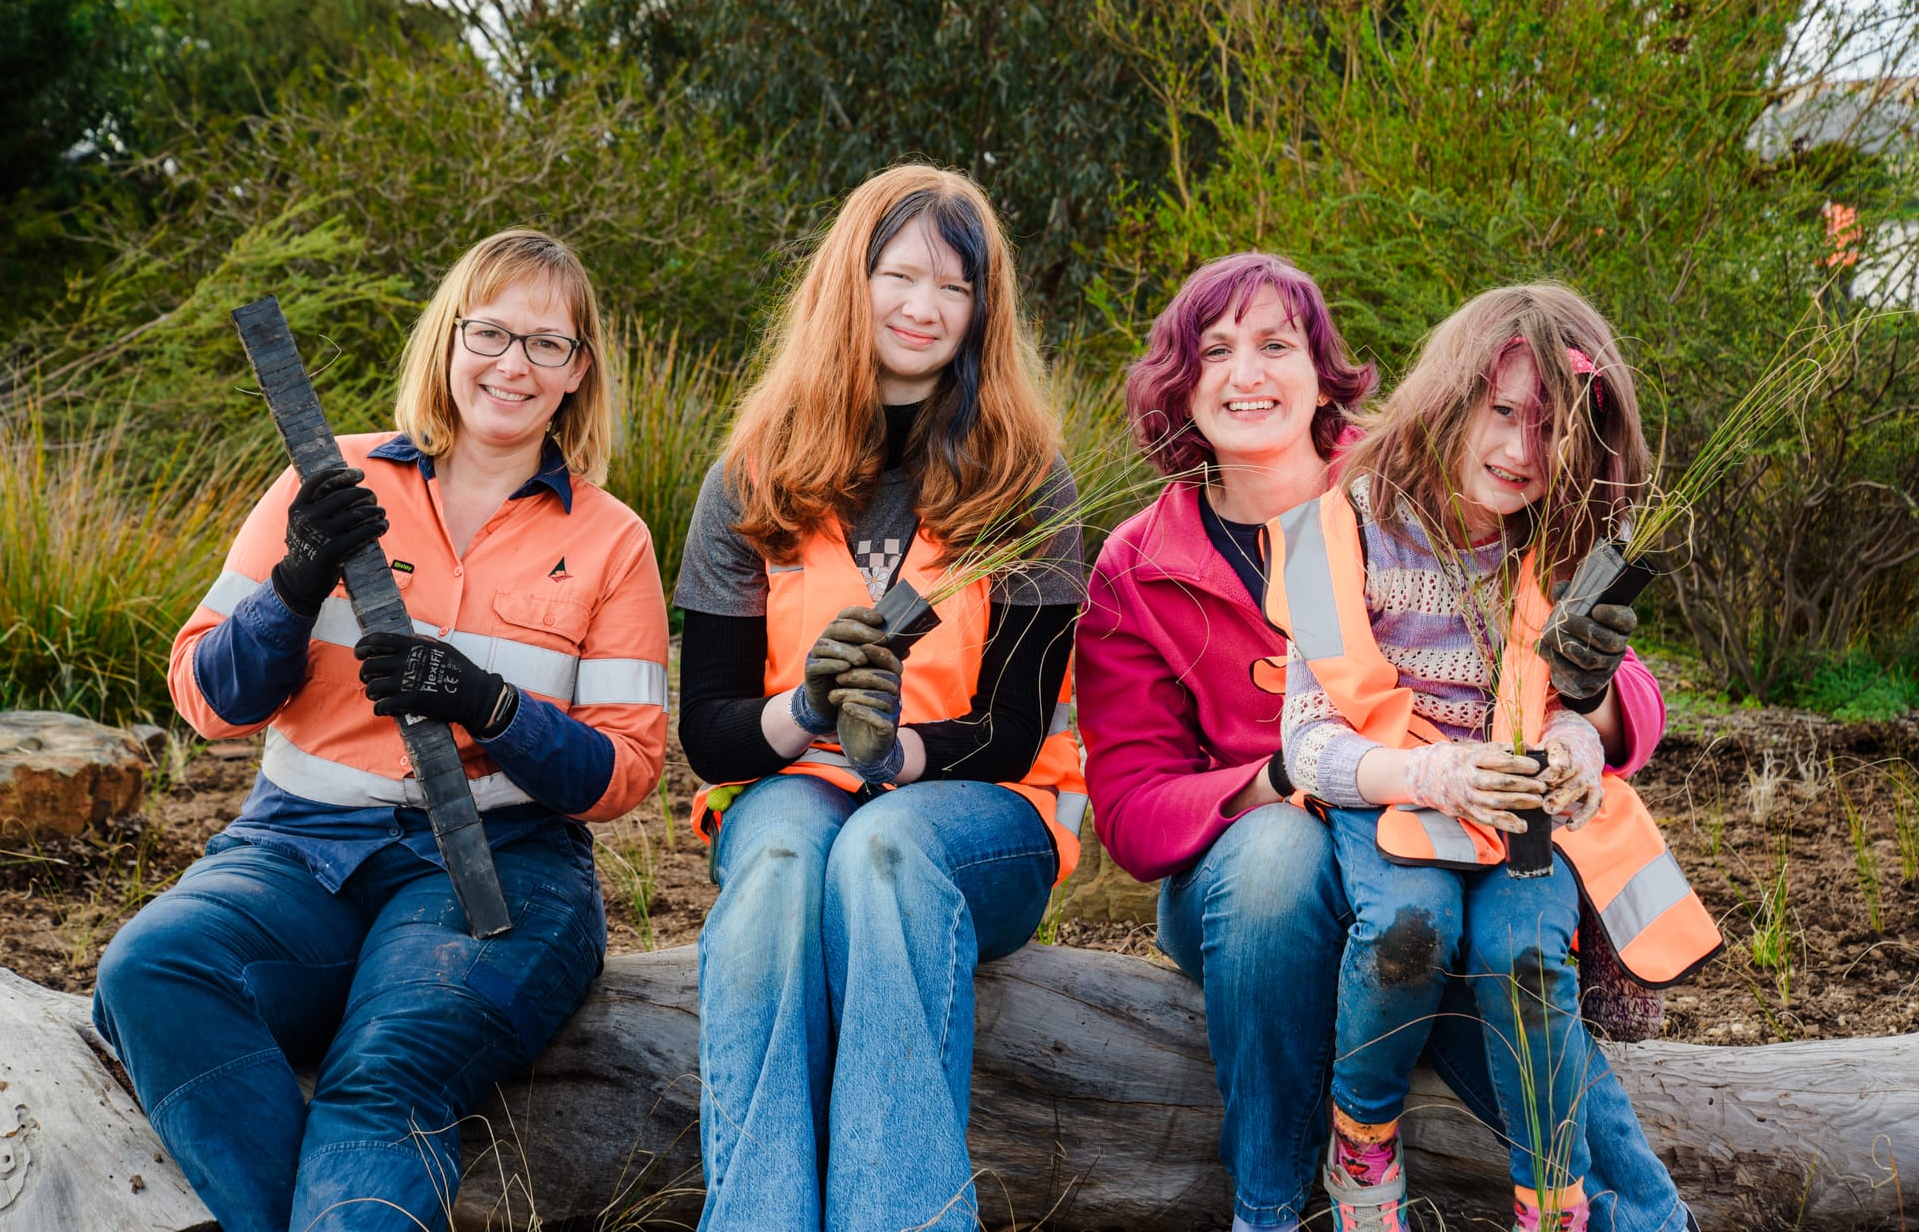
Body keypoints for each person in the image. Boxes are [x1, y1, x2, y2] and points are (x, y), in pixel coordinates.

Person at [1076, 254, 1699, 1232]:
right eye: (1216, 351)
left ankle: (1637, 1217)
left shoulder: (1430, 480)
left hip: (1433, 854)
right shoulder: (1140, 563)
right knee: (1285, 853)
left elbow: (1610, 689)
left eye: (1275, 344)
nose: (1247, 373)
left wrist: (1584, 709)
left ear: (1323, 370)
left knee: (1493, 955)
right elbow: (1129, 811)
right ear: (1180, 383)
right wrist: (1294, 777)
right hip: (1263, 894)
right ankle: (1271, 1209)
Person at [92, 228, 670, 1232]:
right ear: (449, 339)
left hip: (501, 864)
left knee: (385, 1071)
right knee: (153, 969)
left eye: (548, 344)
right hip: (295, 849)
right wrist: (293, 584)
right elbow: (206, 700)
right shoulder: (329, 484)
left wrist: (493, 707)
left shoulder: (612, 539)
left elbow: (625, 770)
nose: (514, 365)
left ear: (578, 371)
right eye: (490, 333)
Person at [674, 163, 1087, 1232]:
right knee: (776, 864)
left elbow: (1013, 732)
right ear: (846, 284)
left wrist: (897, 755)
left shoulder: (1027, 481)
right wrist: (808, 712)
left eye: (954, 287)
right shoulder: (752, 477)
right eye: (899, 275)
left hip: (981, 816)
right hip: (792, 789)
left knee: (883, 848)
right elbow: (709, 732)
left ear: (983, 312)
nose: (922, 307)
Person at [1267, 281, 1722, 1231]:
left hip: (1521, 823)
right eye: (1503, 412)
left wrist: (1574, 743)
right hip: (1395, 802)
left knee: (1524, 955)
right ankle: (1362, 1141)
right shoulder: (1338, 529)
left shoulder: (1567, 539)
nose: (1522, 451)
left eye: (1552, 430)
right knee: (1413, 927)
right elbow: (1305, 743)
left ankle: (1553, 1198)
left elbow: (1590, 703)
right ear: (1449, 397)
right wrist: (1431, 773)